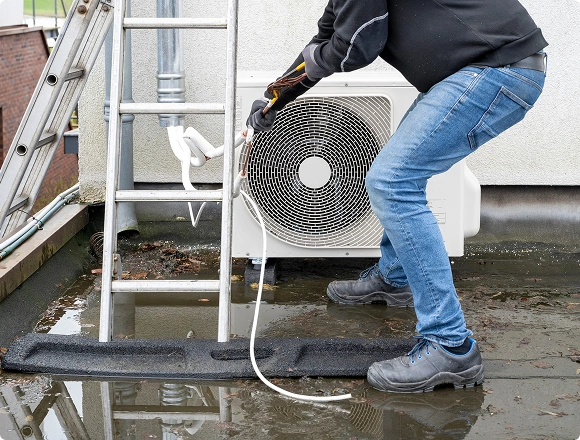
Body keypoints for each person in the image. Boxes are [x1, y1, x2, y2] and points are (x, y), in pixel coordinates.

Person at [246, 0, 547, 393]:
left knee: (393, 181)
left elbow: (357, 44)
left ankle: (451, 346)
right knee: (396, 175)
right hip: (475, 71)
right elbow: (327, 37)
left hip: (497, 70)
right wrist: (277, 94)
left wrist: (294, 82)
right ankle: (395, 277)